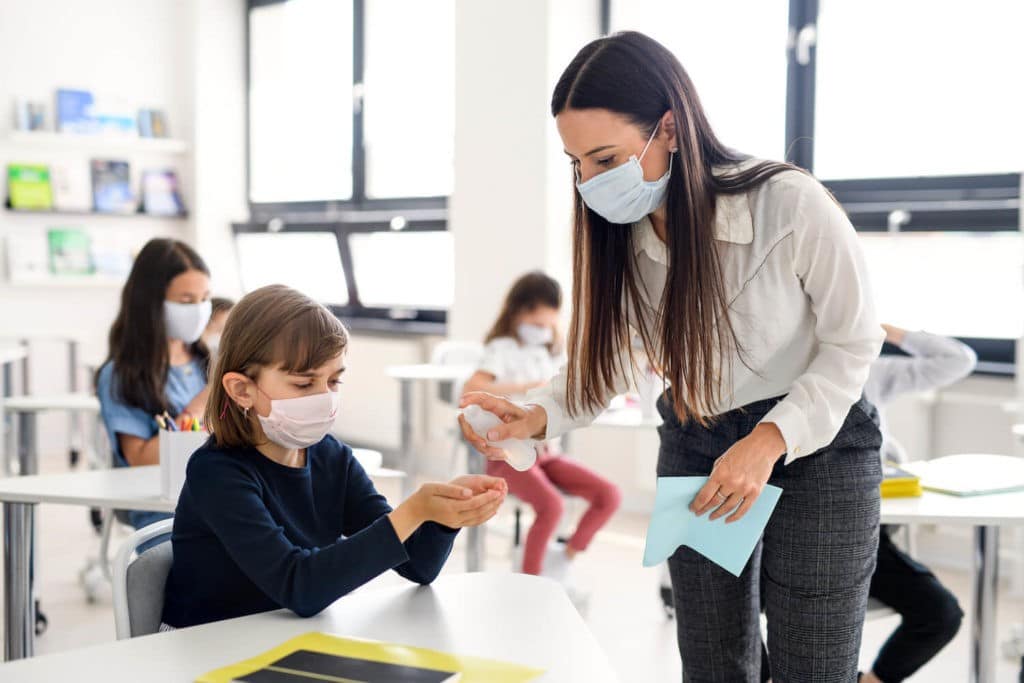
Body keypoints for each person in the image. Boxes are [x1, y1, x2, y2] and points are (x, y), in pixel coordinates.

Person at [460, 31, 884, 681]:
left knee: (815, 659)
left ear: (671, 130)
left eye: (605, 158)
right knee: (713, 657)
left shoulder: (789, 203)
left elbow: (854, 340)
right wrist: (536, 416)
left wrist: (769, 437)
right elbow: (612, 357)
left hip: (818, 443)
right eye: (577, 164)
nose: (590, 183)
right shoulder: (625, 234)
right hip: (696, 435)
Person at [161, 285, 507, 628]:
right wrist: (412, 511)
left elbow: (418, 565)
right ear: (242, 390)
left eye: (334, 381)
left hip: (282, 641)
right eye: (304, 384)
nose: (324, 397)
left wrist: (443, 514)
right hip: (205, 651)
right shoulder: (217, 472)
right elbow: (300, 587)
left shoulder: (331, 456)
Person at [462, 271, 621, 590]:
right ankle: (529, 586)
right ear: (518, 312)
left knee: (608, 495)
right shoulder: (501, 348)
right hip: (508, 456)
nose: (541, 331)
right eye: (536, 325)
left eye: (547, 326)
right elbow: (471, 387)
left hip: (546, 453)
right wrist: (526, 388)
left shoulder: (552, 352)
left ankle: (563, 559)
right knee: (553, 506)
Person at [857, 324, 973, 683]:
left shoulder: (871, 372)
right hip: (784, 541)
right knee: (733, 614)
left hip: (864, 539)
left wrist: (883, 328)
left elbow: (958, 360)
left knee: (940, 614)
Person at [96, 238, 212, 537]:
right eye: (186, 301)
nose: (199, 310)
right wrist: (198, 407)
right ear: (152, 303)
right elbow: (141, 459)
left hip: (220, 495)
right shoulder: (122, 375)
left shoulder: (207, 362)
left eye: (205, 298)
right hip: (163, 510)